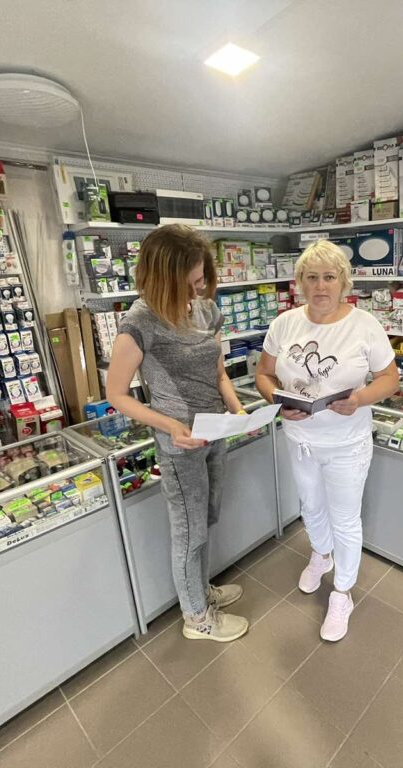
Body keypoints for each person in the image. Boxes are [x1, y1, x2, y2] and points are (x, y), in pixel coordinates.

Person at [106, 224, 249, 643]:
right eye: (191, 282)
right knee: (189, 529)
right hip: (179, 443)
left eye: (202, 279)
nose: (199, 290)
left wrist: (238, 410)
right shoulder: (139, 323)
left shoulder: (204, 310)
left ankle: (200, 592)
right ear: (163, 278)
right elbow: (116, 394)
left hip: (215, 431)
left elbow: (219, 373)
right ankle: (196, 618)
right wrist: (170, 425)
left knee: (208, 516)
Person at [254, 240, 399, 641]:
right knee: (310, 506)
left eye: (329, 277)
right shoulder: (284, 323)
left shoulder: (364, 325)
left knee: (345, 518)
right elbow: (264, 374)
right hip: (300, 438)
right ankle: (321, 554)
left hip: (347, 444)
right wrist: (277, 401)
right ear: (300, 282)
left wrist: (359, 400)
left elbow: (390, 379)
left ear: (343, 282)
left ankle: (343, 592)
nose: (321, 286)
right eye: (312, 277)